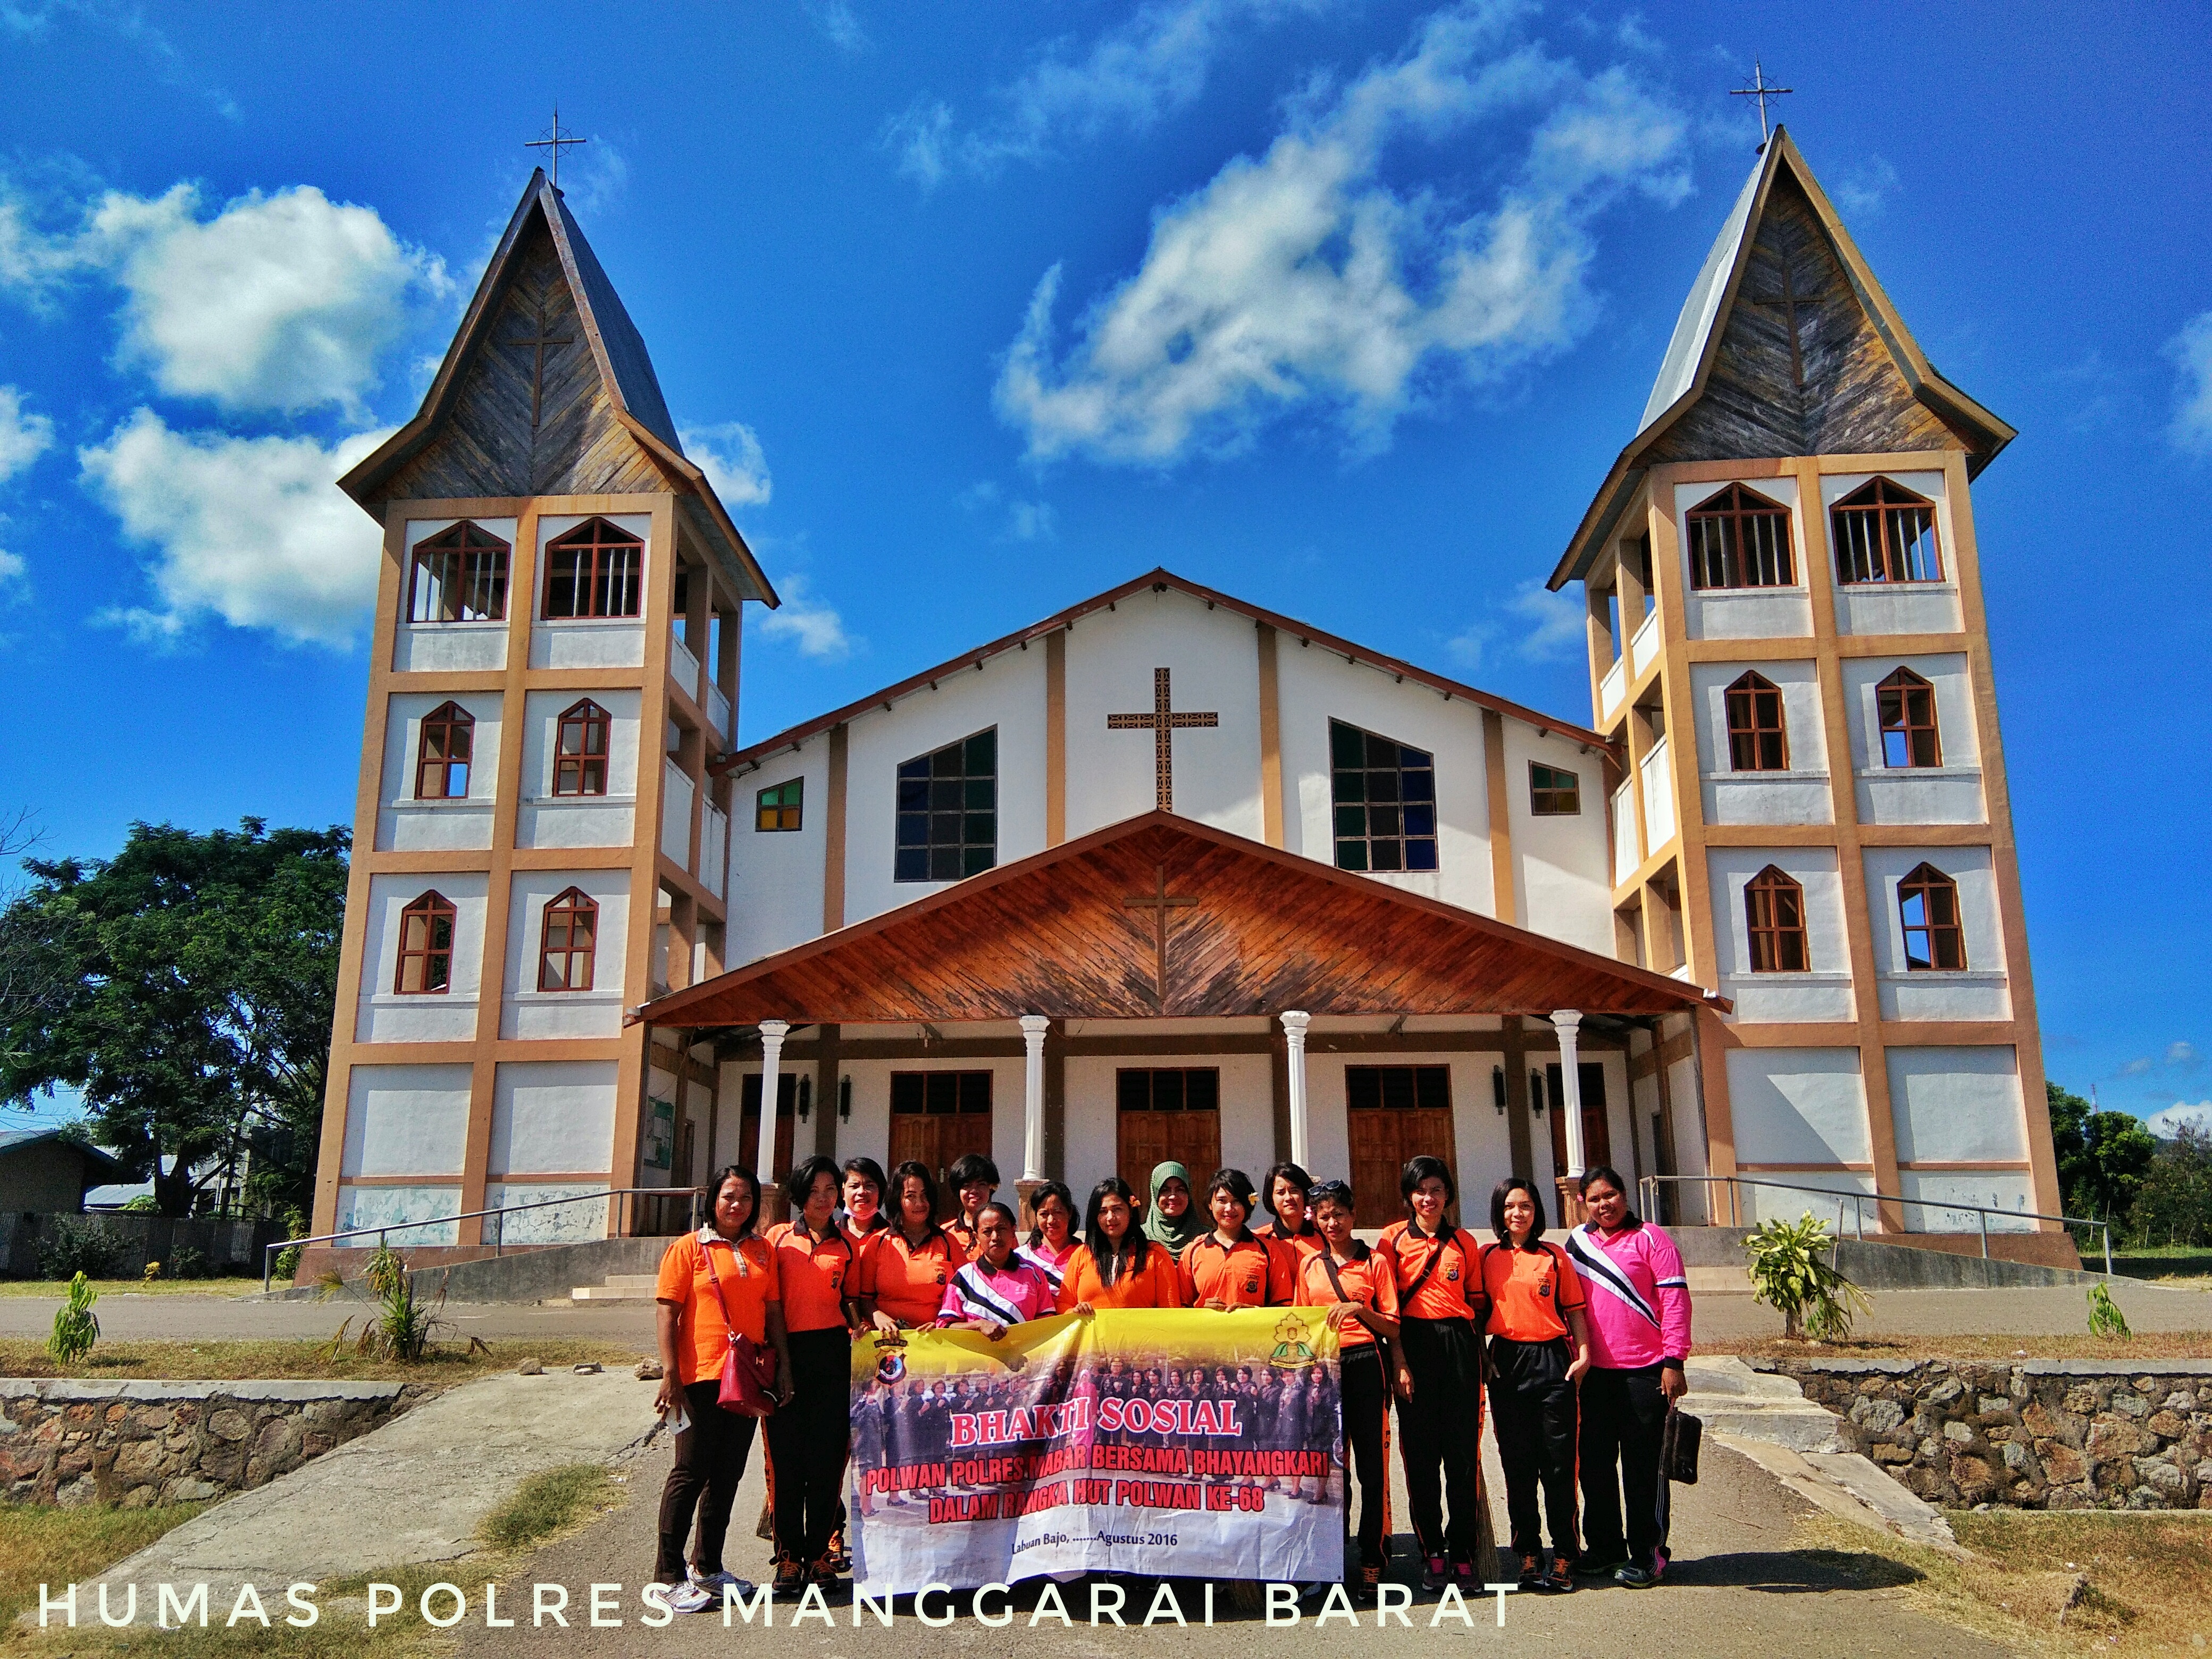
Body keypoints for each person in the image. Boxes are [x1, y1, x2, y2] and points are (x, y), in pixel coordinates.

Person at [651, 1166, 793, 1615]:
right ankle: (667, 1576)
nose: (738, 1205)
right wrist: (670, 1373)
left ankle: (707, 1567)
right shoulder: (687, 1249)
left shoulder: (762, 1250)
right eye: (729, 1196)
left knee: (728, 1474)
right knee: (690, 1471)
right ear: (714, 1198)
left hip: (745, 1379)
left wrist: (783, 1369)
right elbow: (666, 1313)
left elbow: (773, 1314)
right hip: (699, 1376)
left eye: (747, 1197)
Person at [1564, 1166, 1692, 1589]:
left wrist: (1674, 1361)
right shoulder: (1578, 1244)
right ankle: (1605, 1547)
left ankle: (1650, 1554)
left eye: (1611, 1195)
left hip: (1646, 1375)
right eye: (1595, 1198)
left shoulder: (1653, 1239)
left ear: (1624, 1194)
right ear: (1583, 1201)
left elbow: (1675, 1301)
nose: (1605, 1205)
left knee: (1643, 1471)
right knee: (1595, 1468)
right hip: (1595, 1377)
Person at [1376, 1154, 1489, 1594]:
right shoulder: (1390, 1241)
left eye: (1437, 1190)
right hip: (1413, 1347)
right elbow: (1389, 1310)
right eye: (1421, 1190)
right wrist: (1400, 1361)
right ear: (1409, 1195)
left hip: (1459, 1350)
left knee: (1462, 1458)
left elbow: (1477, 1309)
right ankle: (1433, 1553)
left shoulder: (1466, 1243)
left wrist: (1482, 1356)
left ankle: (1463, 1554)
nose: (1429, 1198)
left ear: (1448, 1195)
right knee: (1420, 1460)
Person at [1480, 1177, 1592, 1595]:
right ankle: (1528, 1552)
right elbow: (1476, 1312)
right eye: (1510, 1206)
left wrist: (1583, 1355)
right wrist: (1484, 1355)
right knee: (1518, 1465)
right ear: (1499, 1212)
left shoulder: (1555, 1257)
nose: (1518, 1214)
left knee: (1560, 1464)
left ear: (1536, 1210)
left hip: (1552, 1362)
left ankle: (1565, 1552)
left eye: (1525, 1206)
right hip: (1507, 1363)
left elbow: (1575, 1311)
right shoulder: (1486, 1257)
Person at [763, 1155, 861, 1593]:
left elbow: (852, 1304)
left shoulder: (846, 1246)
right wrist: (782, 1363)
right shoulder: (778, 1240)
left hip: (832, 1359)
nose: (824, 1199)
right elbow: (771, 1305)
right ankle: (787, 1557)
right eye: (815, 1191)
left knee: (826, 1461)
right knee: (786, 1461)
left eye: (830, 1190)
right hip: (787, 1357)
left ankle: (820, 1555)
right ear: (800, 1195)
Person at [1297, 1179, 1401, 1594]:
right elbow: (1299, 1326)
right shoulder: (1309, 1266)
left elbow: (1393, 1325)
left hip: (1365, 1364)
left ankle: (1373, 1560)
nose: (1333, 1222)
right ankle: (1327, 1559)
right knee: (1328, 1470)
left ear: (1354, 1215)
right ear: (1316, 1221)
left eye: (1339, 1213)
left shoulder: (1374, 1262)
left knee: (1372, 1469)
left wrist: (1361, 1309)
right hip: (1324, 1371)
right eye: (1324, 1216)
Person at [1059, 1177, 1186, 1311]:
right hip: (1094, 1333)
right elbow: (1063, 1304)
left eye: (1117, 1209)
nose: (1110, 1217)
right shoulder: (1081, 1255)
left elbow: (1170, 1310)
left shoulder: (1155, 1256)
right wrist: (1074, 1312)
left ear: (1131, 1211)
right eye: (1103, 1211)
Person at [862, 1161, 960, 1335]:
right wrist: (877, 1315)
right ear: (897, 1199)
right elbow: (864, 1298)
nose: (920, 1203)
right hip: (888, 1343)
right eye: (911, 1196)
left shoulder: (948, 1242)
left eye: (924, 1195)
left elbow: (966, 1295)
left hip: (937, 1342)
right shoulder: (878, 1242)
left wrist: (944, 1323)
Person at [1180, 1168, 1296, 1309]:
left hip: (1254, 1331)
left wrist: (1254, 1312)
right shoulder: (1193, 1252)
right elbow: (1180, 1310)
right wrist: (1201, 1309)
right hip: (1206, 1331)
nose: (1229, 1208)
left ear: (1248, 1205)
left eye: (1236, 1201)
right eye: (1222, 1201)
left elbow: (1284, 1306)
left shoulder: (1268, 1250)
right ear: (1210, 1204)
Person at [939, 1202, 1059, 1335]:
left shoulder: (1034, 1274)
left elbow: (1047, 1323)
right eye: (987, 1232)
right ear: (977, 1236)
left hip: (1023, 1355)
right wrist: (978, 1325)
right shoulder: (964, 1278)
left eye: (1001, 1229)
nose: (995, 1237)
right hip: (976, 1356)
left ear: (1013, 1231)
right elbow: (945, 1326)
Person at [1017, 1179, 1079, 1300]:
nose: (1051, 1220)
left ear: (1070, 1213)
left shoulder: (1085, 1255)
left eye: (1058, 1212)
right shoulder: (1021, 1258)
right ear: (1035, 1216)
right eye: (1044, 1214)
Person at [1258, 1161, 1325, 1259]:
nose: (1288, 1198)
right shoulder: (1261, 1239)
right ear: (1271, 1199)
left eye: (1294, 1191)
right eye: (1281, 1193)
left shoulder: (1324, 1234)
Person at [1141, 1160, 1206, 1256]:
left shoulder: (1206, 1239)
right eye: (1165, 1190)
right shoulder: (1140, 1238)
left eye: (1180, 1190)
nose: (1173, 1196)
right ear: (1155, 1196)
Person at [942, 1152, 999, 1260]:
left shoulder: (1003, 1230)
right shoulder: (945, 1233)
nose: (974, 1191)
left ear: (991, 1187)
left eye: (981, 1184)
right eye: (966, 1186)